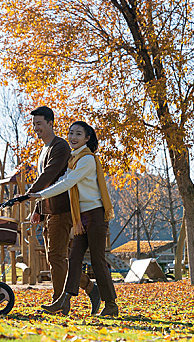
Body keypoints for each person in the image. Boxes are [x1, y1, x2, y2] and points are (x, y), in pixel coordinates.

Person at [28, 120, 118, 317]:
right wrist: (40, 194)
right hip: (82, 218)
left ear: (87, 138)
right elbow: (61, 180)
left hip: (95, 215)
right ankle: (63, 301)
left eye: (78, 134)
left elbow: (69, 182)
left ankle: (111, 304)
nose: (72, 138)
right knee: (74, 259)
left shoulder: (87, 160)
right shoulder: (74, 160)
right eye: (70, 133)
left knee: (97, 260)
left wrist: (41, 194)